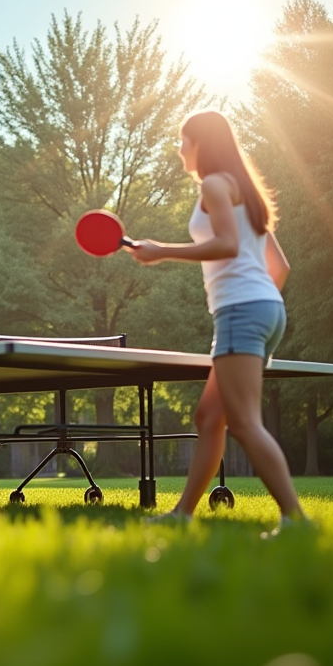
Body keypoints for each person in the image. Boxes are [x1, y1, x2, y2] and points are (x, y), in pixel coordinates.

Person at [125, 109, 307, 527]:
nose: (179, 149)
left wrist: (161, 251)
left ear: (200, 143)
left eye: (182, 141)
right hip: (266, 309)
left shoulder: (213, 185)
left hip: (242, 312)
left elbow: (226, 244)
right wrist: (257, 303)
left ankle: (295, 519)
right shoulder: (242, 188)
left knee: (243, 423)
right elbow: (279, 267)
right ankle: (182, 515)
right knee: (210, 418)